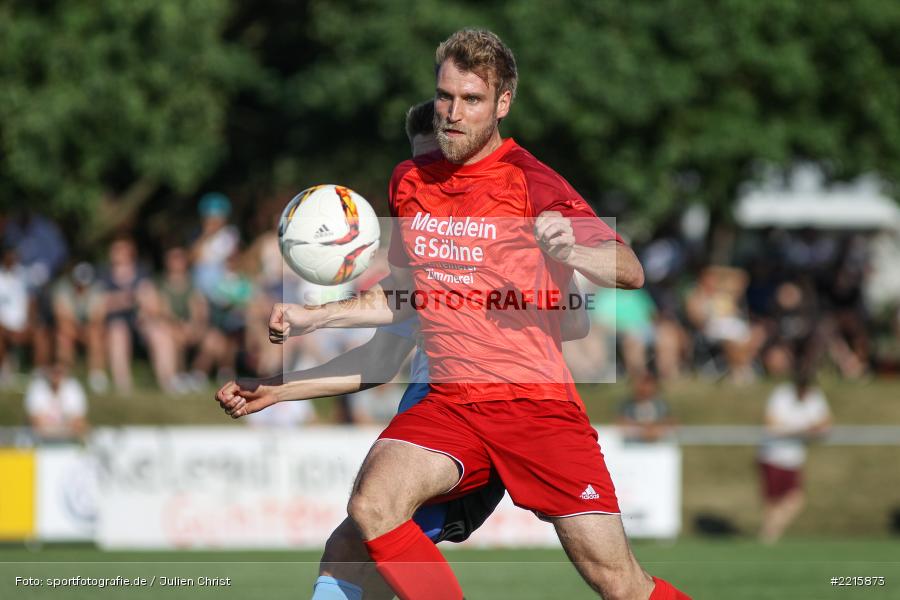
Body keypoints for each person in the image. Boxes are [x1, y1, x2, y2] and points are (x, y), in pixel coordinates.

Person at [229, 29, 689, 599]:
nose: (452, 112)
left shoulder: (531, 180)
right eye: (446, 96)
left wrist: (572, 250)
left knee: (617, 582)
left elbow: (629, 268)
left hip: (534, 407)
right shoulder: (410, 182)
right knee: (371, 506)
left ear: (502, 103)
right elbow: (404, 303)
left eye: (471, 100)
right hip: (450, 403)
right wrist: (312, 321)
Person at [218, 98, 591, 600]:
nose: (431, 180)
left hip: (488, 418)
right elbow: (377, 362)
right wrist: (277, 389)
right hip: (434, 420)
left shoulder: (497, 235)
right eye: (420, 166)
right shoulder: (423, 259)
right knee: (353, 547)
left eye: (441, 165)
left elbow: (575, 320)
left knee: (364, 531)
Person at [757, 369, 831, 544]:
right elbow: (770, 423)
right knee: (772, 501)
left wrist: (801, 430)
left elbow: (825, 422)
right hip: (772, 455)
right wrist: (802, 430)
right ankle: (769, 539)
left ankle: (767, 534)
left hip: (794, 458)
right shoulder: (782, 395)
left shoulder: (815, 396)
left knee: (795, 499)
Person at [52, 262, 108, 392]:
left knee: (96, 334)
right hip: (70, 327)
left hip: (89, 328)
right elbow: (61, 314)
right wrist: (75, 328)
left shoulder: (97, 289)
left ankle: (96, 375)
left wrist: (85, 328)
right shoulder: (63, 287)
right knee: (64, 335)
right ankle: (66, 374)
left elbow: (98, 316)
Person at [25, 361, 89, 442]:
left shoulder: (73, 387)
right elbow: (36, 423)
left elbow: (79, 422)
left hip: (67, 441)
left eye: (59, 372)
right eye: (53, 372)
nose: (56, 376)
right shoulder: (37, 387)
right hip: (40, 441)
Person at [617, 372, 675, 443]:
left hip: (658, 445)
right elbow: (621, 422)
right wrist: (642, 428)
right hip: (633, 445)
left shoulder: (660, 405)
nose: (644, 388)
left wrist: (653, 429)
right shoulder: (628, 405)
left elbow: (670, 422)